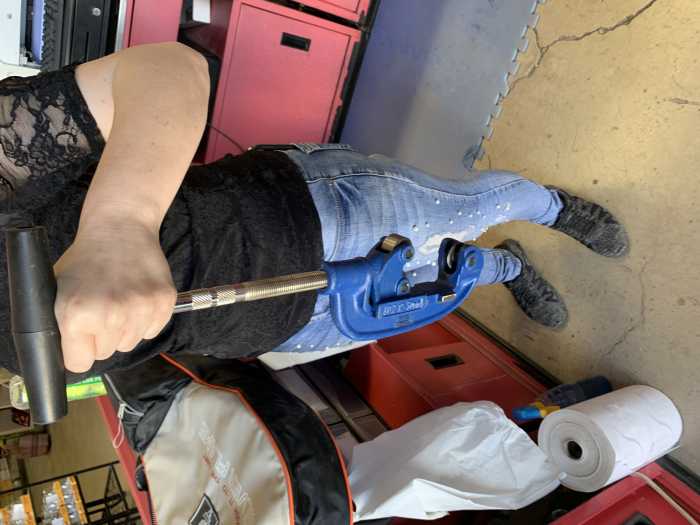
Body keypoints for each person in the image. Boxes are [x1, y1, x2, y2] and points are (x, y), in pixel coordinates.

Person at [0, 43, 628, 381]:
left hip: (307, 213)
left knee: (473, 208)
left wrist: (119, 225)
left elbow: (170, 69)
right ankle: (509, 269)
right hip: (288, 326)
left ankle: (551, 208)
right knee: (437, 285)